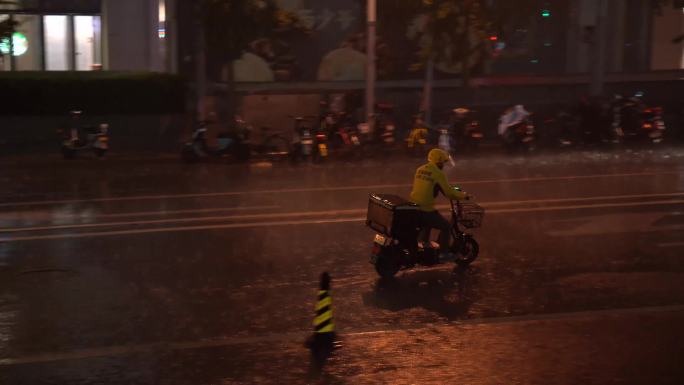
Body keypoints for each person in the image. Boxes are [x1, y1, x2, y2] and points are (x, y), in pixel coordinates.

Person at [409, 148, 468, 262]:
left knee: (426, 225)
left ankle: (422, 251)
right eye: (443, 162)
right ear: (439, 162)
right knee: (446, 226)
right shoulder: (438, 173)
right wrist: (463, 196)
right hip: (426, 209)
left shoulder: (420, 169)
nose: (443, 165)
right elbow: (449, 192)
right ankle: (443, 253)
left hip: (414, 206)